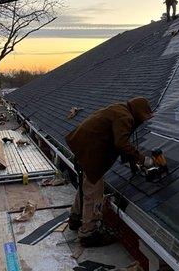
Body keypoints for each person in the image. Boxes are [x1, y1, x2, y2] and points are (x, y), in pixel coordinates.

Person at [66, 97, 154, 247]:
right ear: (139, 113)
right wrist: (143, 160)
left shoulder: (120, 108)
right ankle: (89, 233)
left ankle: (75, 218)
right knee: (94, 192)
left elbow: (120, 142)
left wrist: (134, 163)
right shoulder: (125, 117)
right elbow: (121, 143)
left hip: (82, 146)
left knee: (86, 185)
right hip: (91, 153)